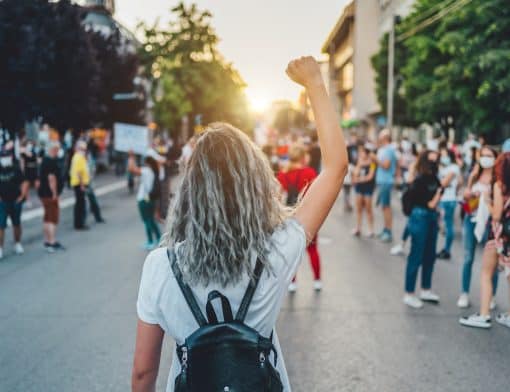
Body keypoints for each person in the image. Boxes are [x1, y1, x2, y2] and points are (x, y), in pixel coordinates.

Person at [131, 56, 348, 392]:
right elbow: (335, 168)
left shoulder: (161, 266)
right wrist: (315, 85)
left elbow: (144, 373)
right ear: (255, 183)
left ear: (190, 190)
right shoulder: (276, 250)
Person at [460, 152, 510, 329]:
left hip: (498, 235)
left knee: (486, 272)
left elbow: (496, 215)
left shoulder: (499, 185)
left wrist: (487, 201)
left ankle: (484, 315)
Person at [456, 147, 499, 309]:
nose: (486, 158)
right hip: (471, 219)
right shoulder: (474, 175)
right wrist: (469, 193)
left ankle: (491, 295)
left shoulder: (498, 179)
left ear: (495, 158)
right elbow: (464, 196)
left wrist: (487, 199)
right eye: (483, 156)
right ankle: (464, 293)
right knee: (468, 257)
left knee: (491, 263)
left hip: (490, 223)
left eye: (489, 156)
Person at [277, 144, 322, 292]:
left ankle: (293, 282)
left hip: (290, 218)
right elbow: (316, 194)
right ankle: (317, 281)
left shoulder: (283, 175)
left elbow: (276, 198)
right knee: (313, 249)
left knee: (291, 251)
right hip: (309, 216)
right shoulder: (309, 172)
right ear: (303, 157)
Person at [402, 150, 442, 309]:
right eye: (431, 160)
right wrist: (438, 195)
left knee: (430, 255)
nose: (434, 163)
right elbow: (431, 202)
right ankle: (409, 293)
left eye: (436, 160)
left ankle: (426, 289)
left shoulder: (433, 177)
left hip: (431, 217)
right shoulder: (419, 180)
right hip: (420, 217)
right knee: (416, 255)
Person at [128, 152, 162, 250]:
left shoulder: (146, 170)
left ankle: (150, 241)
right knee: (151, 220)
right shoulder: (153, 171)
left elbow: (131, 169)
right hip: (150, 199)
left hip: (144, 199)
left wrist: (131, 157)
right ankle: (159, 238)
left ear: (147, 163)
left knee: (147, 221)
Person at [0, 149, 29, 259]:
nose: (5, 159)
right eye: (3, 157)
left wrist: (22, 196)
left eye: (7, 156)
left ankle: (17, 243)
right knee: (1, 225)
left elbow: (25, 181)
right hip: (2, 202)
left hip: (15, 200)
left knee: (16, 223)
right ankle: (0, 248)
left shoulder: (15, 168)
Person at [38, 141, 65, 252]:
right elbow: (51, 179)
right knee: (52, 218)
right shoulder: (51, 162)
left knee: (47, 217)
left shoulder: (44, 160)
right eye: (56, 149)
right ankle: (52, 242)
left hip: (43, 193)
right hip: (50, 194)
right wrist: (55, 194)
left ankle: (48, 241)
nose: (58, 151)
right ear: (52, 149)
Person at [437, 147, 461, 260]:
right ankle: (445, 249)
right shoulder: (446, 167)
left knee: (448, 225)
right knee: (446, 224)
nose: (443, 157)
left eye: (445, 155)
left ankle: (447, 250)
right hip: (445, 198)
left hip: (448, 200)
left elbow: (444, 183)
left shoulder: (453, 168)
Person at [375, 129, 397, 243]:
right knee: (384, 207)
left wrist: (376, 160)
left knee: (386, 207)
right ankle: (385, 229)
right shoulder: (383, 149)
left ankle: (388, 231)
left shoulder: (389, 150)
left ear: (385, 138)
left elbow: (386, 165)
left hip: (386, 181)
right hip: (382, 181)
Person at [352, 142, 376, 237]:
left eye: (362, 152)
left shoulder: (373, 163)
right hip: (359, 188)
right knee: (359, 208)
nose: (360, 154)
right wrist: (360, 164)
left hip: (368, 188)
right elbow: (355, 173)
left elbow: (370, 176)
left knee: (368, 208)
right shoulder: (359, 162)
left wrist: (358, 179)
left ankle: (371, 229)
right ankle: (358, 228)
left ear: (367, 153)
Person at [70, 140, 90, 230]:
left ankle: (79, 223)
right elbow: (79, 172)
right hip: (79, 184)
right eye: (82, 148)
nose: (84, 150)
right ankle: (79, 224)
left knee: (79, 204)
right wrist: (82, 184)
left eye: (85, 149)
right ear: (77, 148)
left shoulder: (78, 156)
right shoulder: (79, 157)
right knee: (80, 204)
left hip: (78, 183)